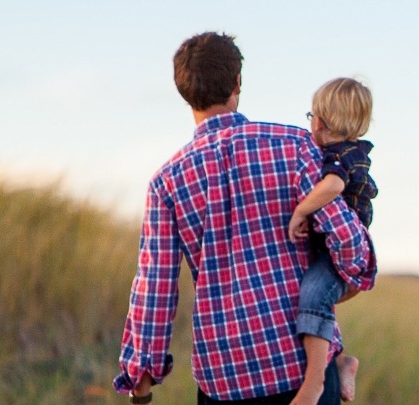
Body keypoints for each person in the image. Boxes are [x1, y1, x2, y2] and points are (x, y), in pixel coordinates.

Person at [114, 32, 376, 405]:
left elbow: (155, 286)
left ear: (184, 92)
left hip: (224, 378)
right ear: (238, 83)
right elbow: (348, 238)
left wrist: (141, 374)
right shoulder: (296, 145)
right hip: (299, 369)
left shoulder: (166, 183)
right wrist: (346, 280)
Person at [286, 77, 379, 404]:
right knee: (315, 297)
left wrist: (301, 210)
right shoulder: (347, 150)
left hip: (342, 253)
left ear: (320, 120)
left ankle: (314, 384)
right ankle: (341, 361)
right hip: (331, 250)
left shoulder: (343, 155)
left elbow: (333, 188)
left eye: (310, 116)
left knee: (313, 294)